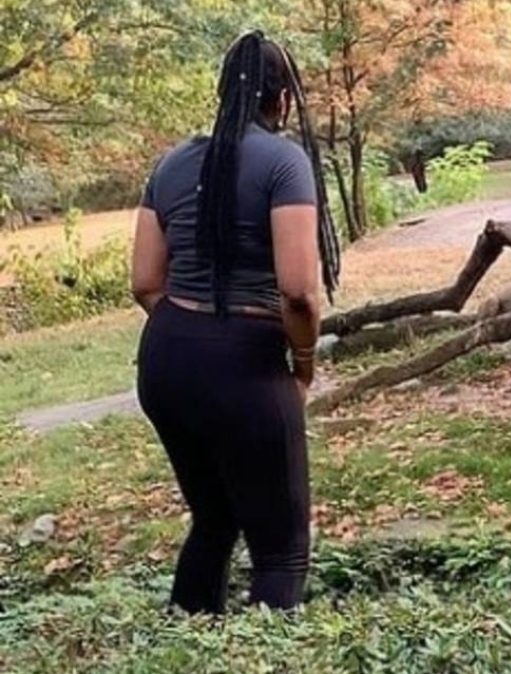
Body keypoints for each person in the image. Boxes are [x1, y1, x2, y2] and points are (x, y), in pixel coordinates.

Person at [130, 30, 340, 614]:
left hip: (165, 360)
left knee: (215, 519)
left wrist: (191, 334)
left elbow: (145, 282)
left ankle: (187, 642)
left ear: (222, 92)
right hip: (245, 362)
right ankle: (264, 653)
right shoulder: (284, 162)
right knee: (282, 551)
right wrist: (301, 367)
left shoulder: (169, 163)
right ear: (283, 101)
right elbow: (298, 292)